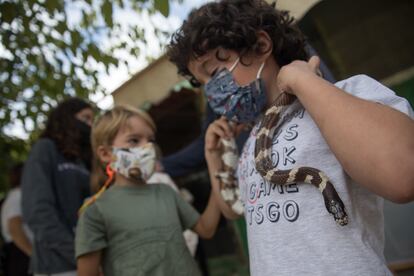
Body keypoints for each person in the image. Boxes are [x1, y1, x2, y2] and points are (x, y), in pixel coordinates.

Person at [167, 0, 414, 275]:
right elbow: (235, 209)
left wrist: (301, 80)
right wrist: (214, 159)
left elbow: (403, 174)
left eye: (215, 74)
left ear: (261, 46)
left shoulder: (345, 97)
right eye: (205, 86)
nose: (213, 94)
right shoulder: (252, 140)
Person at [75, 105, 221, 276]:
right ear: (106, 154)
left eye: (150, 140)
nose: (148, 148)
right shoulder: (95, 212)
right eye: (134, 140)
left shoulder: (165, 192)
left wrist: (217, 169)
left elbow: (206, 228)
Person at [21, 97, 94, 276]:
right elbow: (38, 212)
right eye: (85, 118)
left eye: (93, 120)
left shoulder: (83, 160)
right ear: (67, 118)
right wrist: (77, 253)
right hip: (56, 266)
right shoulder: (45, 149)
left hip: (88, 260)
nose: (90, 125)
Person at [1, 163, 32, 276]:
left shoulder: (17, 195)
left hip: (20, 251)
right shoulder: (17, 196)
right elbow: (14, 227)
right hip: (21, 252)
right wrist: (32, 253)